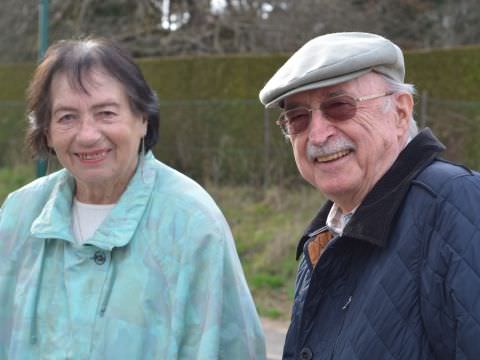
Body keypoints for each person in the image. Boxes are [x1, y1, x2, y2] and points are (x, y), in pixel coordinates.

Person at [0, 37, 266, 359]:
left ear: (142, 119)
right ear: (47, 133)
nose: (87, 135)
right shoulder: (19, 214)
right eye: (67, 117)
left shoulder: (192, 223)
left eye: (106, 113)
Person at [259, 32, 480, 359]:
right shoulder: (326, 237)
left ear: (401, 113)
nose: (317, 135)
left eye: (339, 106)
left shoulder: (457, 202)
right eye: (298, 118)